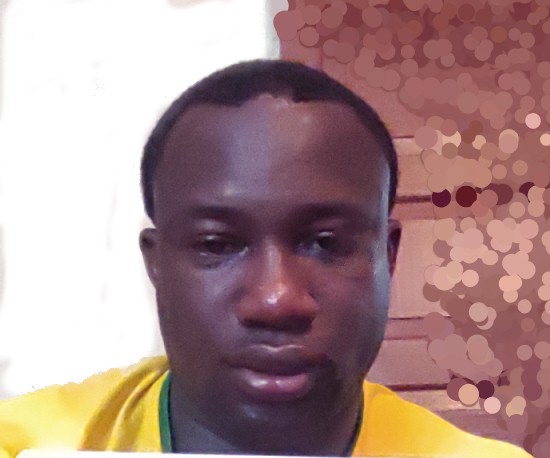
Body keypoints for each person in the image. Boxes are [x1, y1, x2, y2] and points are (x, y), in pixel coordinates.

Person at [0, 60, 531, 457]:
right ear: (156, 266)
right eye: (217, 245)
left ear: (387, 257)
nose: (276, 301)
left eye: (325, 243)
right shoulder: (25, 444)